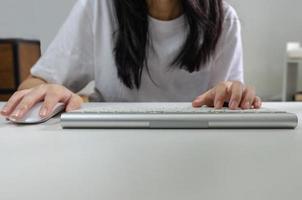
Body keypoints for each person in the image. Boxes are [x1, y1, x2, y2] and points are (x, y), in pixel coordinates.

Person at [1, 0, 262, 120]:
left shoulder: (223, 19)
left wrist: (234, 95)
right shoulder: (98, 8)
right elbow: (31, 86)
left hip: (195, 154)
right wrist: (49, 88)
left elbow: (229, 101)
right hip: (108, 153)